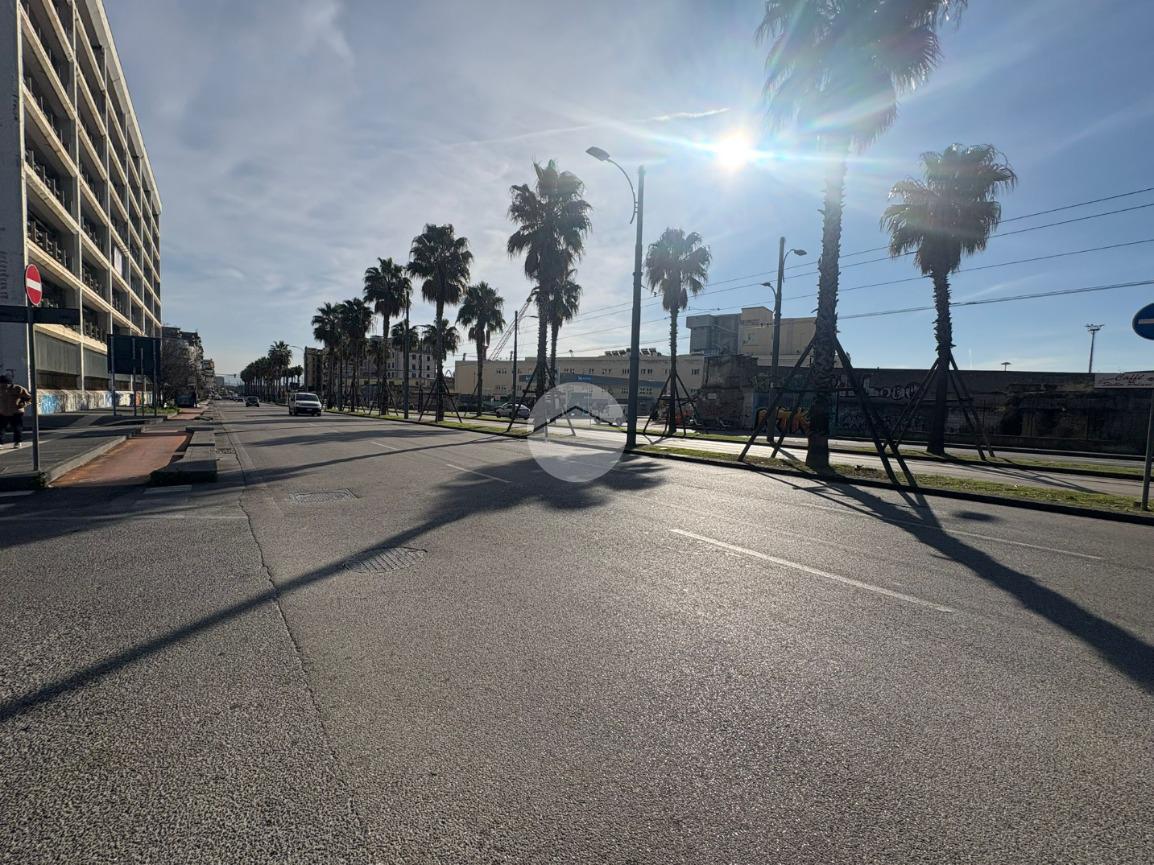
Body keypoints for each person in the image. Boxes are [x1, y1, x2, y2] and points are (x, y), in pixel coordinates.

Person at [0, 375, 32, 449]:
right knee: (0, 428)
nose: (3, 386)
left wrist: (24, 403)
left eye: (5, 384)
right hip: (2, 411)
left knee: (17, 428)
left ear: (9, 383)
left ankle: (18, 442)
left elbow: (29, 398)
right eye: (1, 384)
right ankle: (0, 442)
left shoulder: (17, 388)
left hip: (16, 412)